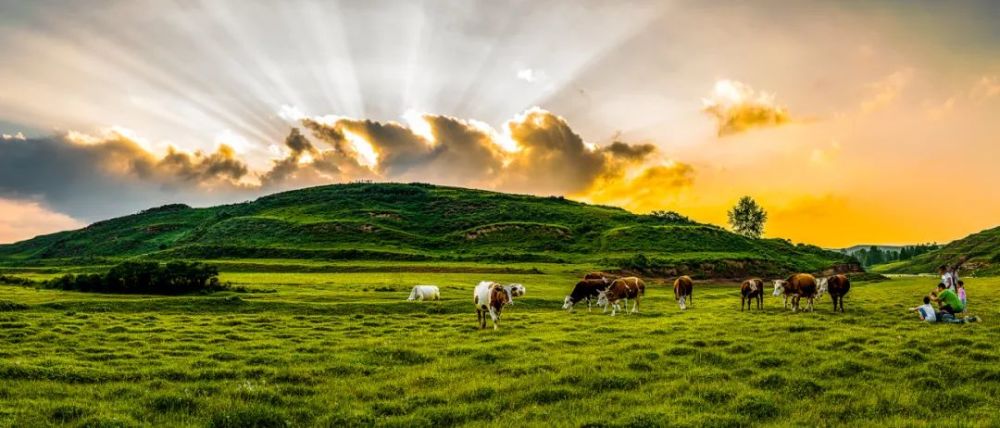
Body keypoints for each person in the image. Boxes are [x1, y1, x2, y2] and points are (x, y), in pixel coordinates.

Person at [911, 295, 980, 324]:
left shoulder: (929, 311)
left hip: (944, 316)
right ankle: (970, 318)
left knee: (958, 321)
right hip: (946, 314)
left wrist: (918, 312)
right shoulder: (931, 307)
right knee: (956, 321)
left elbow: (922, 315)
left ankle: (973, 318)